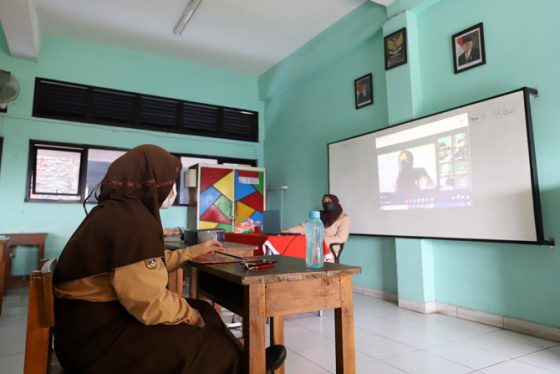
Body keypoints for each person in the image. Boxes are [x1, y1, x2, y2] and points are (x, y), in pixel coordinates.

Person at [53, 144, 286, 374]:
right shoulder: (131, 220)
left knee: (204, 308)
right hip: (94, 341)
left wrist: (194, 252)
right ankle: (245, 367)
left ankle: (246, 361)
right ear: (152, 181)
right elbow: (147, 299)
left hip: (89, 324)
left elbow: (145, 265)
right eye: (170, 182)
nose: (172, 190)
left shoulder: (117, 211)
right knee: (202, 341)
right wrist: (189, 315)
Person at [283, 194, 351, 262]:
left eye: (329, 201)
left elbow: (341, 238)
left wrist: (321, 241)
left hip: (329, 250)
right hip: (313, 248)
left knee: (310, 261)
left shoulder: (343, 219)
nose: (327, 203)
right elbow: (304, 227)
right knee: (294, 255)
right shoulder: (319, 215)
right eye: (325, 202)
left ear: (335, 202)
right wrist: (288, 230)